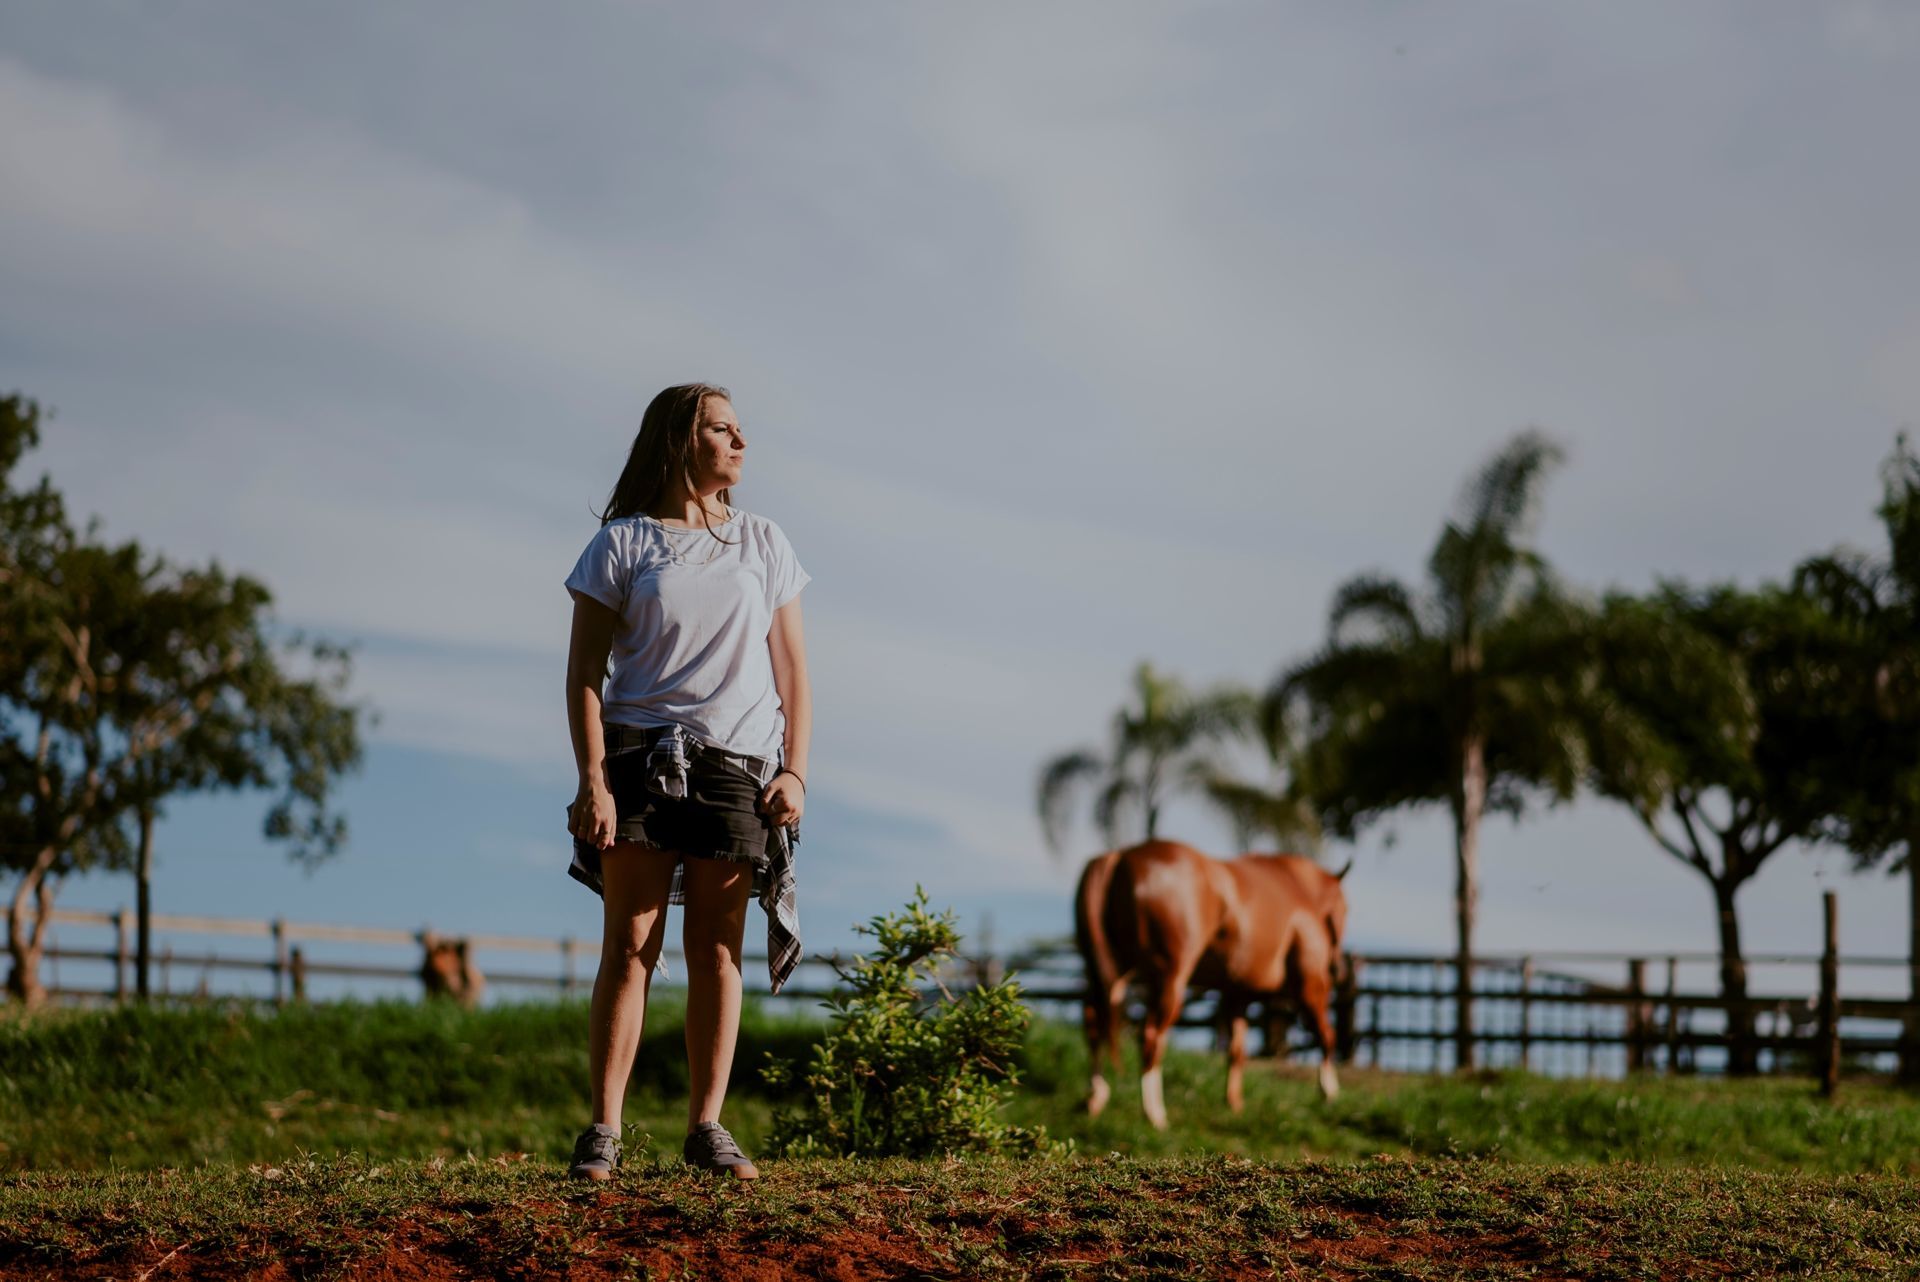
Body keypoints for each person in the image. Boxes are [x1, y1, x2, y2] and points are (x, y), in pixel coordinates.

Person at [561, 382, 811, 1181]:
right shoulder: (621, 544)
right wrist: (593, 779)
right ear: (679, 439)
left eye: (743, 431)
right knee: (629, 946)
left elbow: (795, 672)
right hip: (640, 759)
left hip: (739, 767)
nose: (741, 443)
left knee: (718, 949)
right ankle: (604, 1130)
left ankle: (706, 1127)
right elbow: (583, 675)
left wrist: (796, 771)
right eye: (721, 429)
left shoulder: (765, 543)